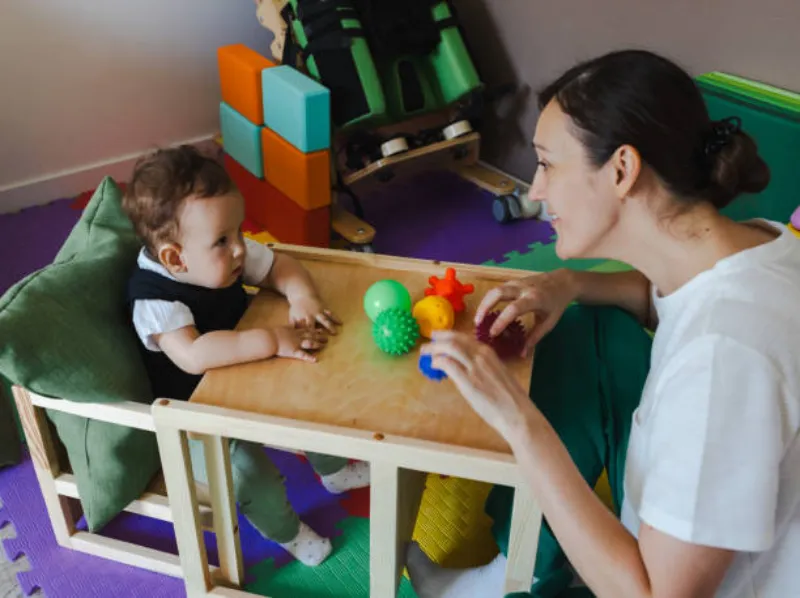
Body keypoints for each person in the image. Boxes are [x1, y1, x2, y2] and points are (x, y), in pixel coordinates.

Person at [407, 49, 800, 598]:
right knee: (588, 334)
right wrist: (567, 285)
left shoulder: (724, 357)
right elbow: (668, 299)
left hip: (668, 583)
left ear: (621, 169)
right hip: (688, 520)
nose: (536, 190)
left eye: (546, 163)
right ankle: (510, 566)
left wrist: (520, 422)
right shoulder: (760, 242)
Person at [122, 146, 369, 567]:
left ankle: (332, 470)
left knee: (311, 395)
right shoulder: (155, 298)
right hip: (198, 416)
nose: (240, 248)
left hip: (249, 372)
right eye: (223, 240)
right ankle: (287, 532)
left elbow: (279, 265)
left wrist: (301, 295)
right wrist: (272, 340)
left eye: (238, 231)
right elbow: (194, 356)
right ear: (174, 258)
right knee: (249, 476)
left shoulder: (219, 255)